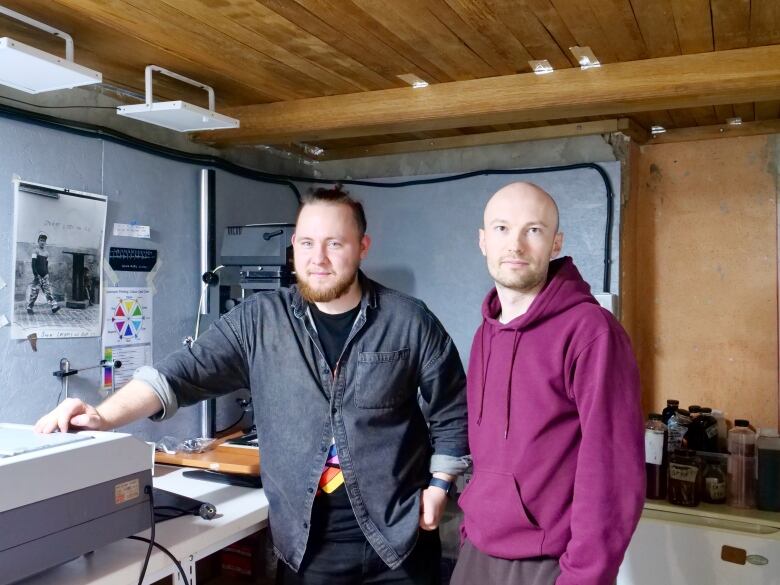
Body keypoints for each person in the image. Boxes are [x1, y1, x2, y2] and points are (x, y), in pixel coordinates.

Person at [36, 185, 468, 585]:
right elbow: (179, 373)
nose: (318, 258)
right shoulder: (260, 320)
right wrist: (103, 415)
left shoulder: (408, 320)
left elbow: (452, 409)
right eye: (306, 243)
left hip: (398, 542)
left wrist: (439, 486)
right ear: (293, 247)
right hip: (308, 546)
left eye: (334, 243)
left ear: (361, 247)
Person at [450, 182, 643, 585]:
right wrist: (470, 532)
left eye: (533, 230)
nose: (516, 245)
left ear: (556, 243)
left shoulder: (591, 332)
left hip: (547, 564)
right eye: (502, 229)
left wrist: (583, 577)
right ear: (483, 241)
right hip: (477, 555)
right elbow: (486, 454)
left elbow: (612, 474)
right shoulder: (485, 331)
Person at [27, 231, 60, 315]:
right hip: (37, 276)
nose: (42, 242)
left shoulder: (46, 253)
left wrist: (47, 274)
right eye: (41, 240)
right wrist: (36, 275)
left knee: (48, 292)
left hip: (44, 276)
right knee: (34, 293)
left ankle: (54, 307)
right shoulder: (35, 251)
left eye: (44, 241)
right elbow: (33, 264)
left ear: (45, 242)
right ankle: (29, 307)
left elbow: (46, 264)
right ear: (38, 241)